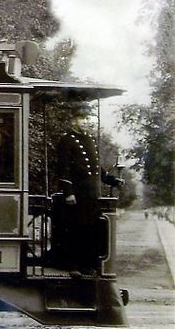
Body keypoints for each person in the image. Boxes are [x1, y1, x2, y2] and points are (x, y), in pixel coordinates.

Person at [56, 110, 123, 277]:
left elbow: (96, 170)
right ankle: (73, 265)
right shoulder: (66, 141)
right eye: (81, 118)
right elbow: (63, 170)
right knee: (76, 229)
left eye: (87, 118)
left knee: (91, 229)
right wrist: (68, 192)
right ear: (73, 120)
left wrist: (112, 180)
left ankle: (88, 264)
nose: (85, 121)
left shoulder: (90, 140)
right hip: (77, 194)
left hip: (91, 194)